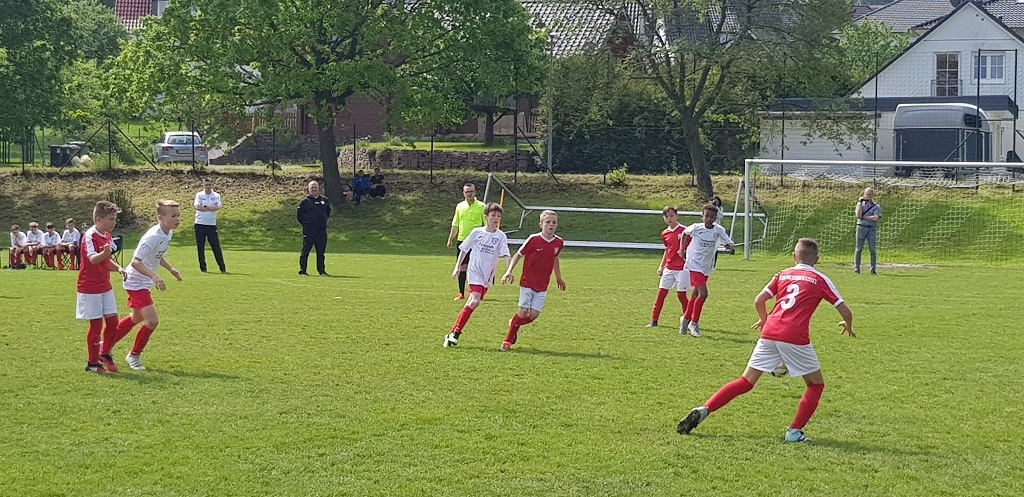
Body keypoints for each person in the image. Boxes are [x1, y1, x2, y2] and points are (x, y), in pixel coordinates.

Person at [676, 238, 855, 443]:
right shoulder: (820, 279)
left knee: (745, 381)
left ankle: (704, 409)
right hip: (795, 336)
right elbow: (844, 310)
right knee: (815, 385)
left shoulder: (782, 274)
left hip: (769, 331)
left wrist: (764, 319)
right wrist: (848, 325)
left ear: (794, 257)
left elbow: (759, 300)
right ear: (817, 259)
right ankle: (794, 432)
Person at [109, 200, 183, 371]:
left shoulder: (167, 233)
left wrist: (171, 269)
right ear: (160, 217)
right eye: (173, 216)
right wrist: (154, 276)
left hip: (144, 281)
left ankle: (105, 347)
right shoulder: (152, 236)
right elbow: (136, 262)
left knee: (136, 318)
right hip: (135, 281)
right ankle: (133, 356)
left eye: (178, 215)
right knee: (152, 321)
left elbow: (157, 255)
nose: (177, 219)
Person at [443, 203, 510, 348]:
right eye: (493, 216)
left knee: (473, 302)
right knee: (474, 300)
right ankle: (456, 333)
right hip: (474, 271)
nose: (496, 218)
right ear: (486, 217)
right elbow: (464, 249)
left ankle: (451, 333)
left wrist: (508, 270)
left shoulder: (501, 236)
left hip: (487, 275)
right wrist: (457, 266)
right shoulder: (477, 232)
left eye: (498, 216)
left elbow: (506, 254)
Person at [499, 210, 566, 351]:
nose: (551, 225)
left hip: (542, 284)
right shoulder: (533, 239)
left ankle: (514, 322)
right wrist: (509, 271)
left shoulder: (559, 242)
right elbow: (518, 254)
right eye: (547, 222)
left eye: (554, 222)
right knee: (523, 311)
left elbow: (555, 259)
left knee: (534, 315)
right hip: (527, 282)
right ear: (541, 224)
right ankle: (507, 341)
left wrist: (559, 277)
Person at [75, 201, 127, 374]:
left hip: (105, 286)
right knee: (96, 325)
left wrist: (118, 268)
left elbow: (106, 260)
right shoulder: (90, 236)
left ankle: (104, 354)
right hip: (89, 287)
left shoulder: (107, 235)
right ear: (98, 219)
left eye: (115, 219)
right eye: (111, 219)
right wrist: (104, 253)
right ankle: (92, 364)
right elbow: (93, 259)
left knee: (113, 323)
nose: (114, 222)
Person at [677, 204, 734, 338]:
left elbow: (729, 242)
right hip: (694, 263)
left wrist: (729, 245)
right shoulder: (696, 227)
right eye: (706, 216)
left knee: (695, 294)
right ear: (702, 216)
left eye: (712, 217)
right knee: (703, 294)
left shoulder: (718, 230)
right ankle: (693, 323)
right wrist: (682, 249)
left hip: (706, 266)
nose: (709, 219)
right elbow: (684, 233)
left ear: (715, 218)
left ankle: (685, 319)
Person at [647, 206, 688, 328]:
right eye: (666, 216)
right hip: (669, 268)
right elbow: (667, 250)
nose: (669, 218)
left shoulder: (685, 231)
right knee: (661, 293)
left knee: (681, 295)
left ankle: (688, 319)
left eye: (671, 215)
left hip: (682, 268)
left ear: (677, 216)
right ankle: (654, 320)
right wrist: (662, 266)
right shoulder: (665, 233)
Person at [446, 183, 486, 301]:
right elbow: (455, 224)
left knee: (477, 267)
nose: (469, 194)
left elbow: (486, 225)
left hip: (477, 242)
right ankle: (461, 293)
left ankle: (479, 292)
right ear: (463, 193)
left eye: (471, 191)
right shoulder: (460, 207)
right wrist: (450, 239)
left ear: (475, 192)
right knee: (462, 267)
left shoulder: (481, 206)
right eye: (467, 192)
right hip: (462, 240)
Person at [297, 180, 332, 276]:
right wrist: (306, 224)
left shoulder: (324, 200)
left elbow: (328, 212)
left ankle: (322, 271)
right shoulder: (305, 202)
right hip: (309, 231)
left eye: (315, 187)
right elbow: (299, 215)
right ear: (308, 189)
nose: (314, 189)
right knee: (305, 251)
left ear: (318, 188)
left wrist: (322, 221)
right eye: (312, 187)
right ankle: (303, 271)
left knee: (321, 252)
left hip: (321, 231)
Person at [193, 178, 227, 273]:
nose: (208, 187)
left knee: (216, 246)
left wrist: (206, 207)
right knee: (200, 247)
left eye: (209, 185)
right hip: (200, 223)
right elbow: (197, 206)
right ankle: (203, 268)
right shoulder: (199, 195)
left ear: (212, 185)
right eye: (206, 185)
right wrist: (210, 208)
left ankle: (222, 268)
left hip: (211, 224)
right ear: (203, 185)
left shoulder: (216, 195)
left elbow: (218, 206)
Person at [854, 187, 881, 275]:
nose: (868, 196)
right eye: (867, 194)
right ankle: (857, 269)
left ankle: (873, 269)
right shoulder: (860, 205)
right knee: (858, 249)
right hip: (861, 228)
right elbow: (858, 215)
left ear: (872, 195)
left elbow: (875, 218)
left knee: (872, 250)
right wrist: (860, 203)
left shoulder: (876, 206)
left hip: (871, 229)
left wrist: (864, 217)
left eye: (870, 194)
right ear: (864, 195)